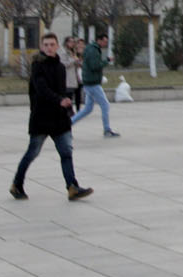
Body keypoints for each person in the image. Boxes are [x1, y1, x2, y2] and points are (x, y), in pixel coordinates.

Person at [10, 32, 92, 201]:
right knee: (32, 152)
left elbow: (61, 90)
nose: (49, 48)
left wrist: (65, 103)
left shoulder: (60, 67)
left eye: (52, 45)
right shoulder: (37, 66)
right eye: (46, 45)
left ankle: (72, 187)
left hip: (59, 119)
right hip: (41, 118)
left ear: (57, 47)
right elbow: (41, 90)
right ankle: (17, 184)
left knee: (66, 152)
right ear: (42, 47)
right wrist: (59, 100)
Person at [71, 32, 120, 138]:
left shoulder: (90, 48)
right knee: (105, 105)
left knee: (87, 109)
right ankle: (107, 130)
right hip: (92, 83)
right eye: (105, 41)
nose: (105, 44)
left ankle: (67, 125)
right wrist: (106, 61)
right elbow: (95, 66)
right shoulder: (94, 50)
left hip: (89, 82)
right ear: (99, 40)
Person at [60, 36, 81, 115]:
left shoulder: (73, 52)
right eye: (70, 42)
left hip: (74, 76)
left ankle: (71, 110)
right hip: (67, 77)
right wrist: (73, 60)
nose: (72, 44)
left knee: (72, 94)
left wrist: (78, 61)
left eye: (73, 42)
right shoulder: (63, 52)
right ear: (66, 43)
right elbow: (64, 63)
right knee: (68, 94)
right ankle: (69, 110)